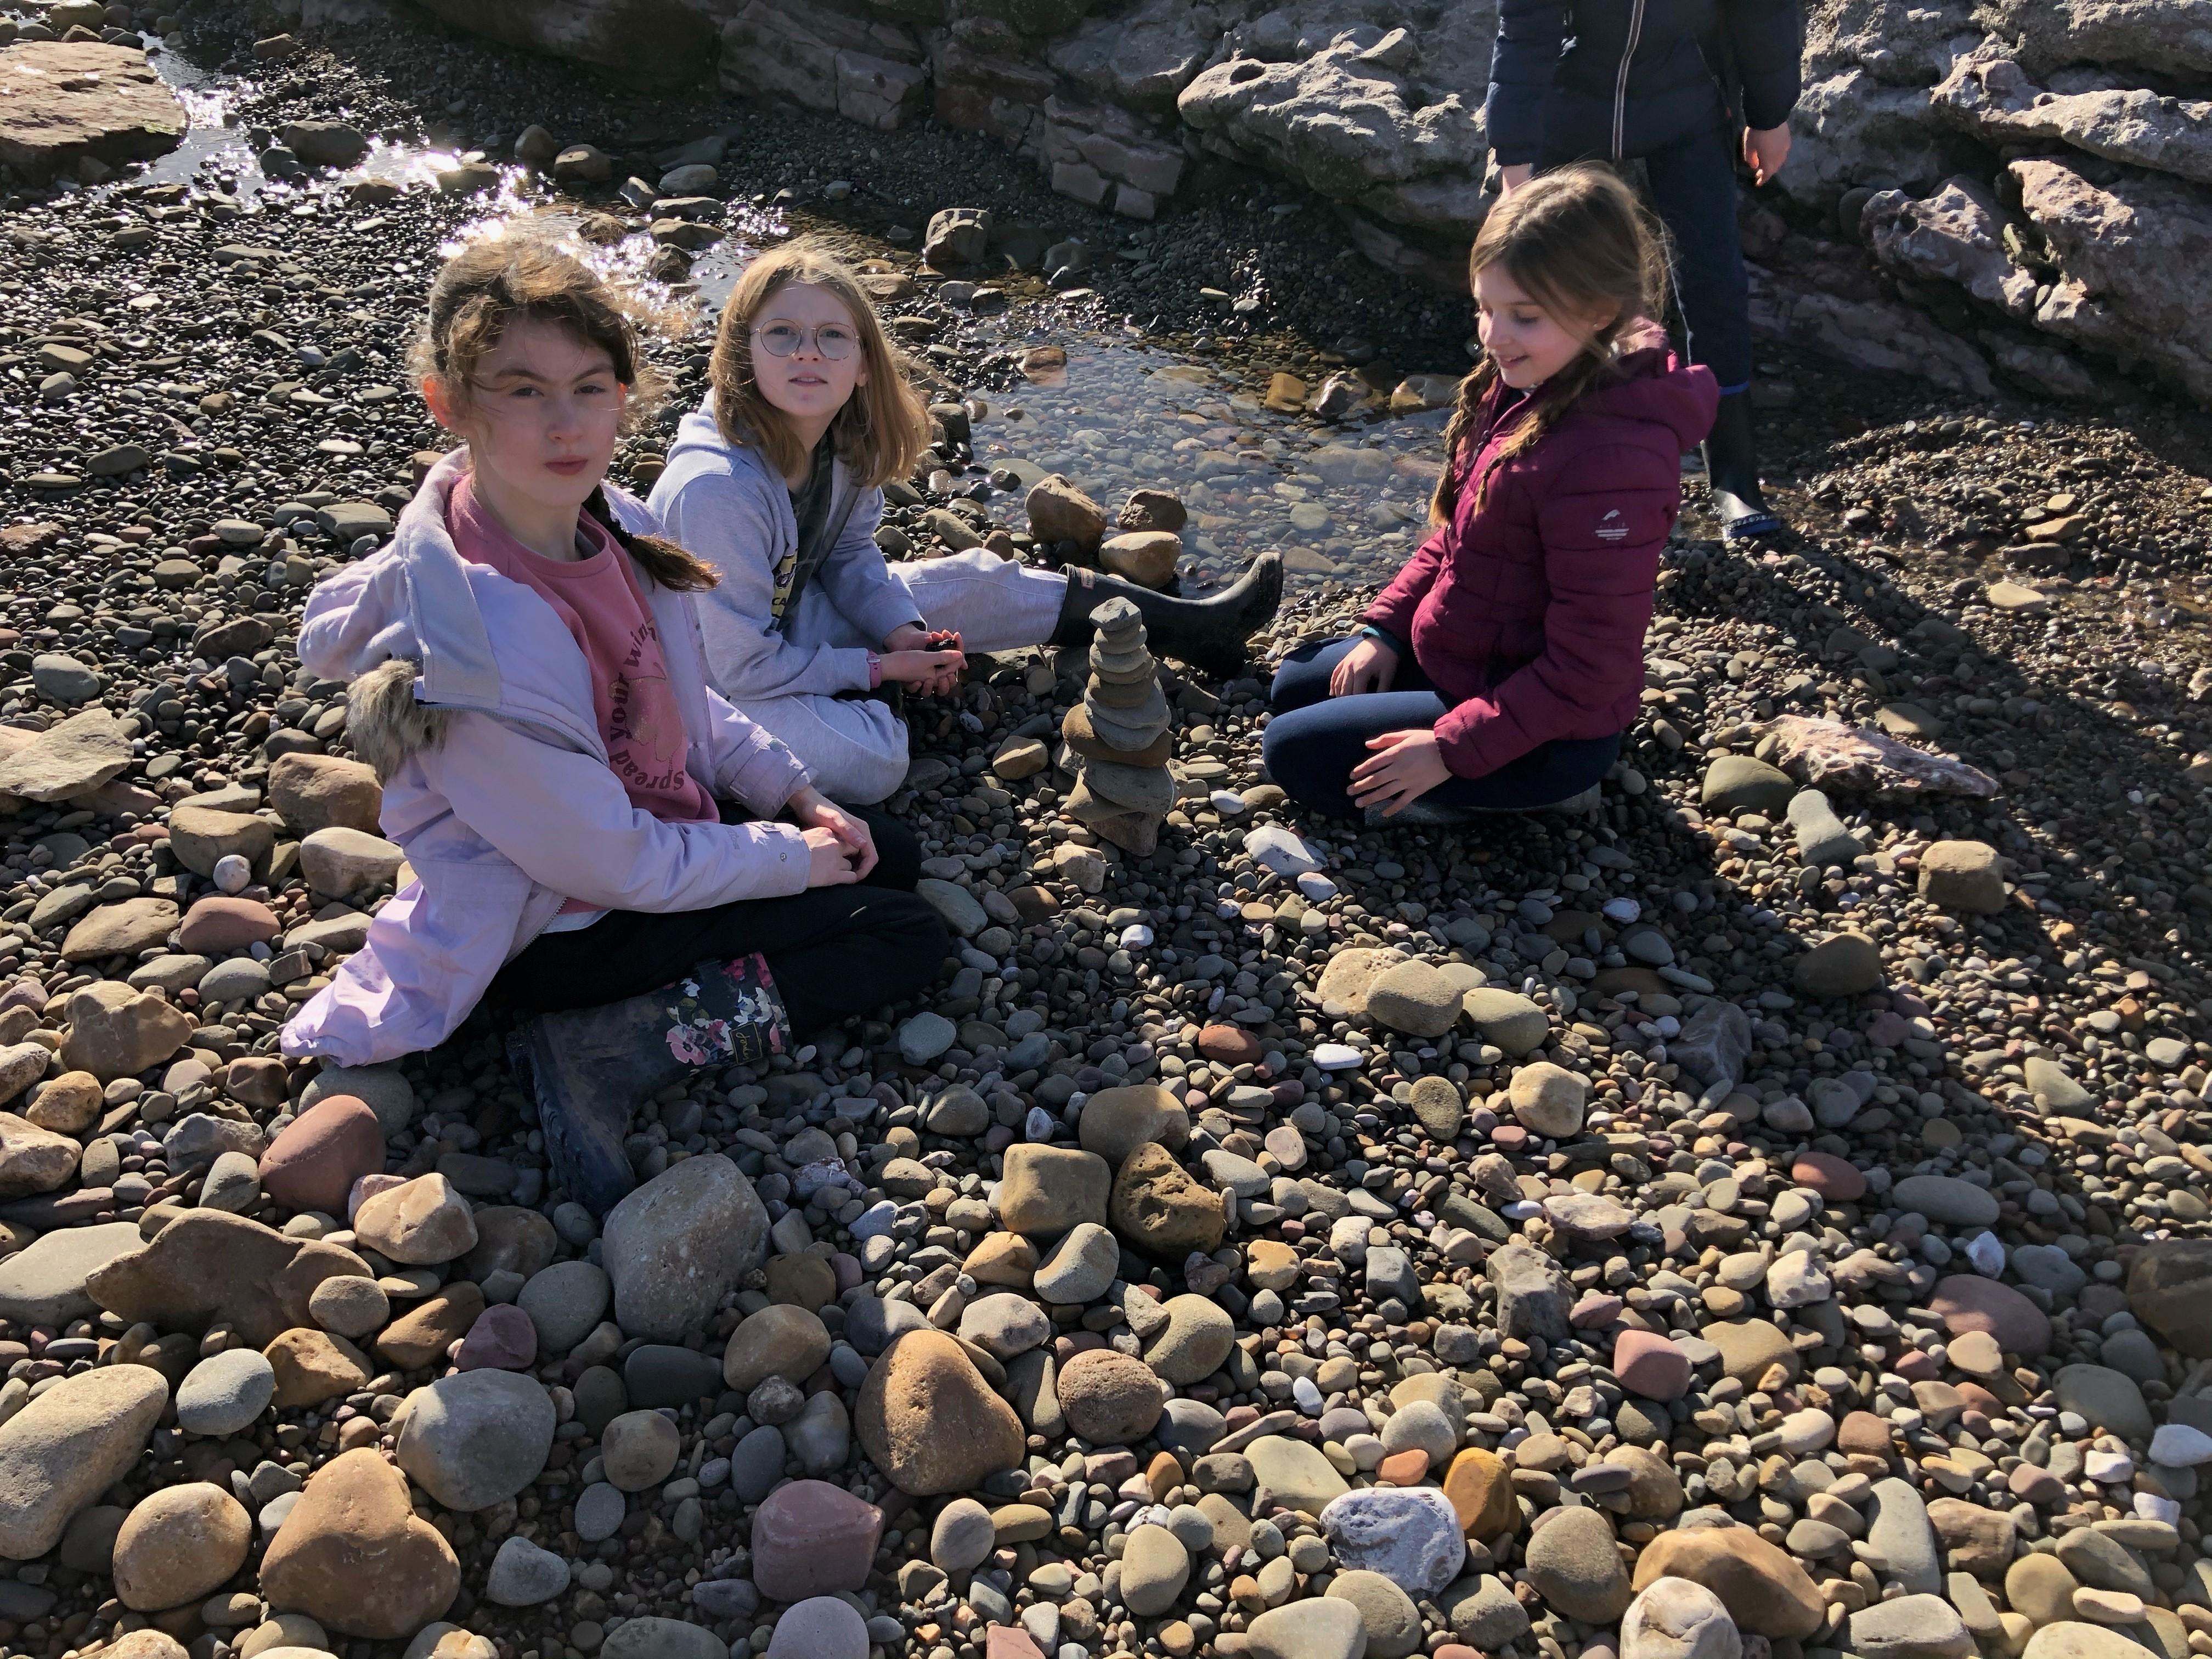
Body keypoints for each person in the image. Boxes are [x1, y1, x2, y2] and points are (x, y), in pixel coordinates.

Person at [279, 231, 949, 1215]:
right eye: (523, 390)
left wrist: (797, 796)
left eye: (590, 388)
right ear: (449, 403)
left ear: (624, 397)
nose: (566, 424)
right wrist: (787, 859)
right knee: (904, 934)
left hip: (636, 830)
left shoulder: (610, 520)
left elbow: (681, 697)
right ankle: (617, 1043)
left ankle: (713, 941)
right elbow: (618, 865)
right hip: (559, 921)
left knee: (889, 850)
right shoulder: (470, 646)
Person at [648, 239, 1284, 805]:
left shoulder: (840, 435)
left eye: (833, 336)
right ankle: (865, 701)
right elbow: (739, 667)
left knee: (979, 581)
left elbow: (847, 554)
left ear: (864, 363)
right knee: (871, 762)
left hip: (786, 616)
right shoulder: (719, 489)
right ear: (743, 353)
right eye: (782, 333)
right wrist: (878, 670)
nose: (808, 352)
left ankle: (1197, 629)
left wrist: (901, 633)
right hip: (700, 683)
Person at [1262, 166, 1718, 825]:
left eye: (1523, 317)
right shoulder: (1533, 382)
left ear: (1599, 312)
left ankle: (1540, 794)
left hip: (1553, 729)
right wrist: (1386, 629)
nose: (1493, 335)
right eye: (1485, 308)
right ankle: (1461, 763)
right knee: (1294, 687)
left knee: (1294, 755)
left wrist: (1450, 750)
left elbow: (1590, 667)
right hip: (1472, 658)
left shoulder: (1614, 461)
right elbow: (1460, 538)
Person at [1487, 0, 1802, 539]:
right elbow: (1525, 28)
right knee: (1543, 278)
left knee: (1715, 282)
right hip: (1571, 102)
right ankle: (1522, 452)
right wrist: (1514, 158)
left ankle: (1734, 475)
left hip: (1689, 101)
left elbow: (1763, 12)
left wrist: (1769, 115)